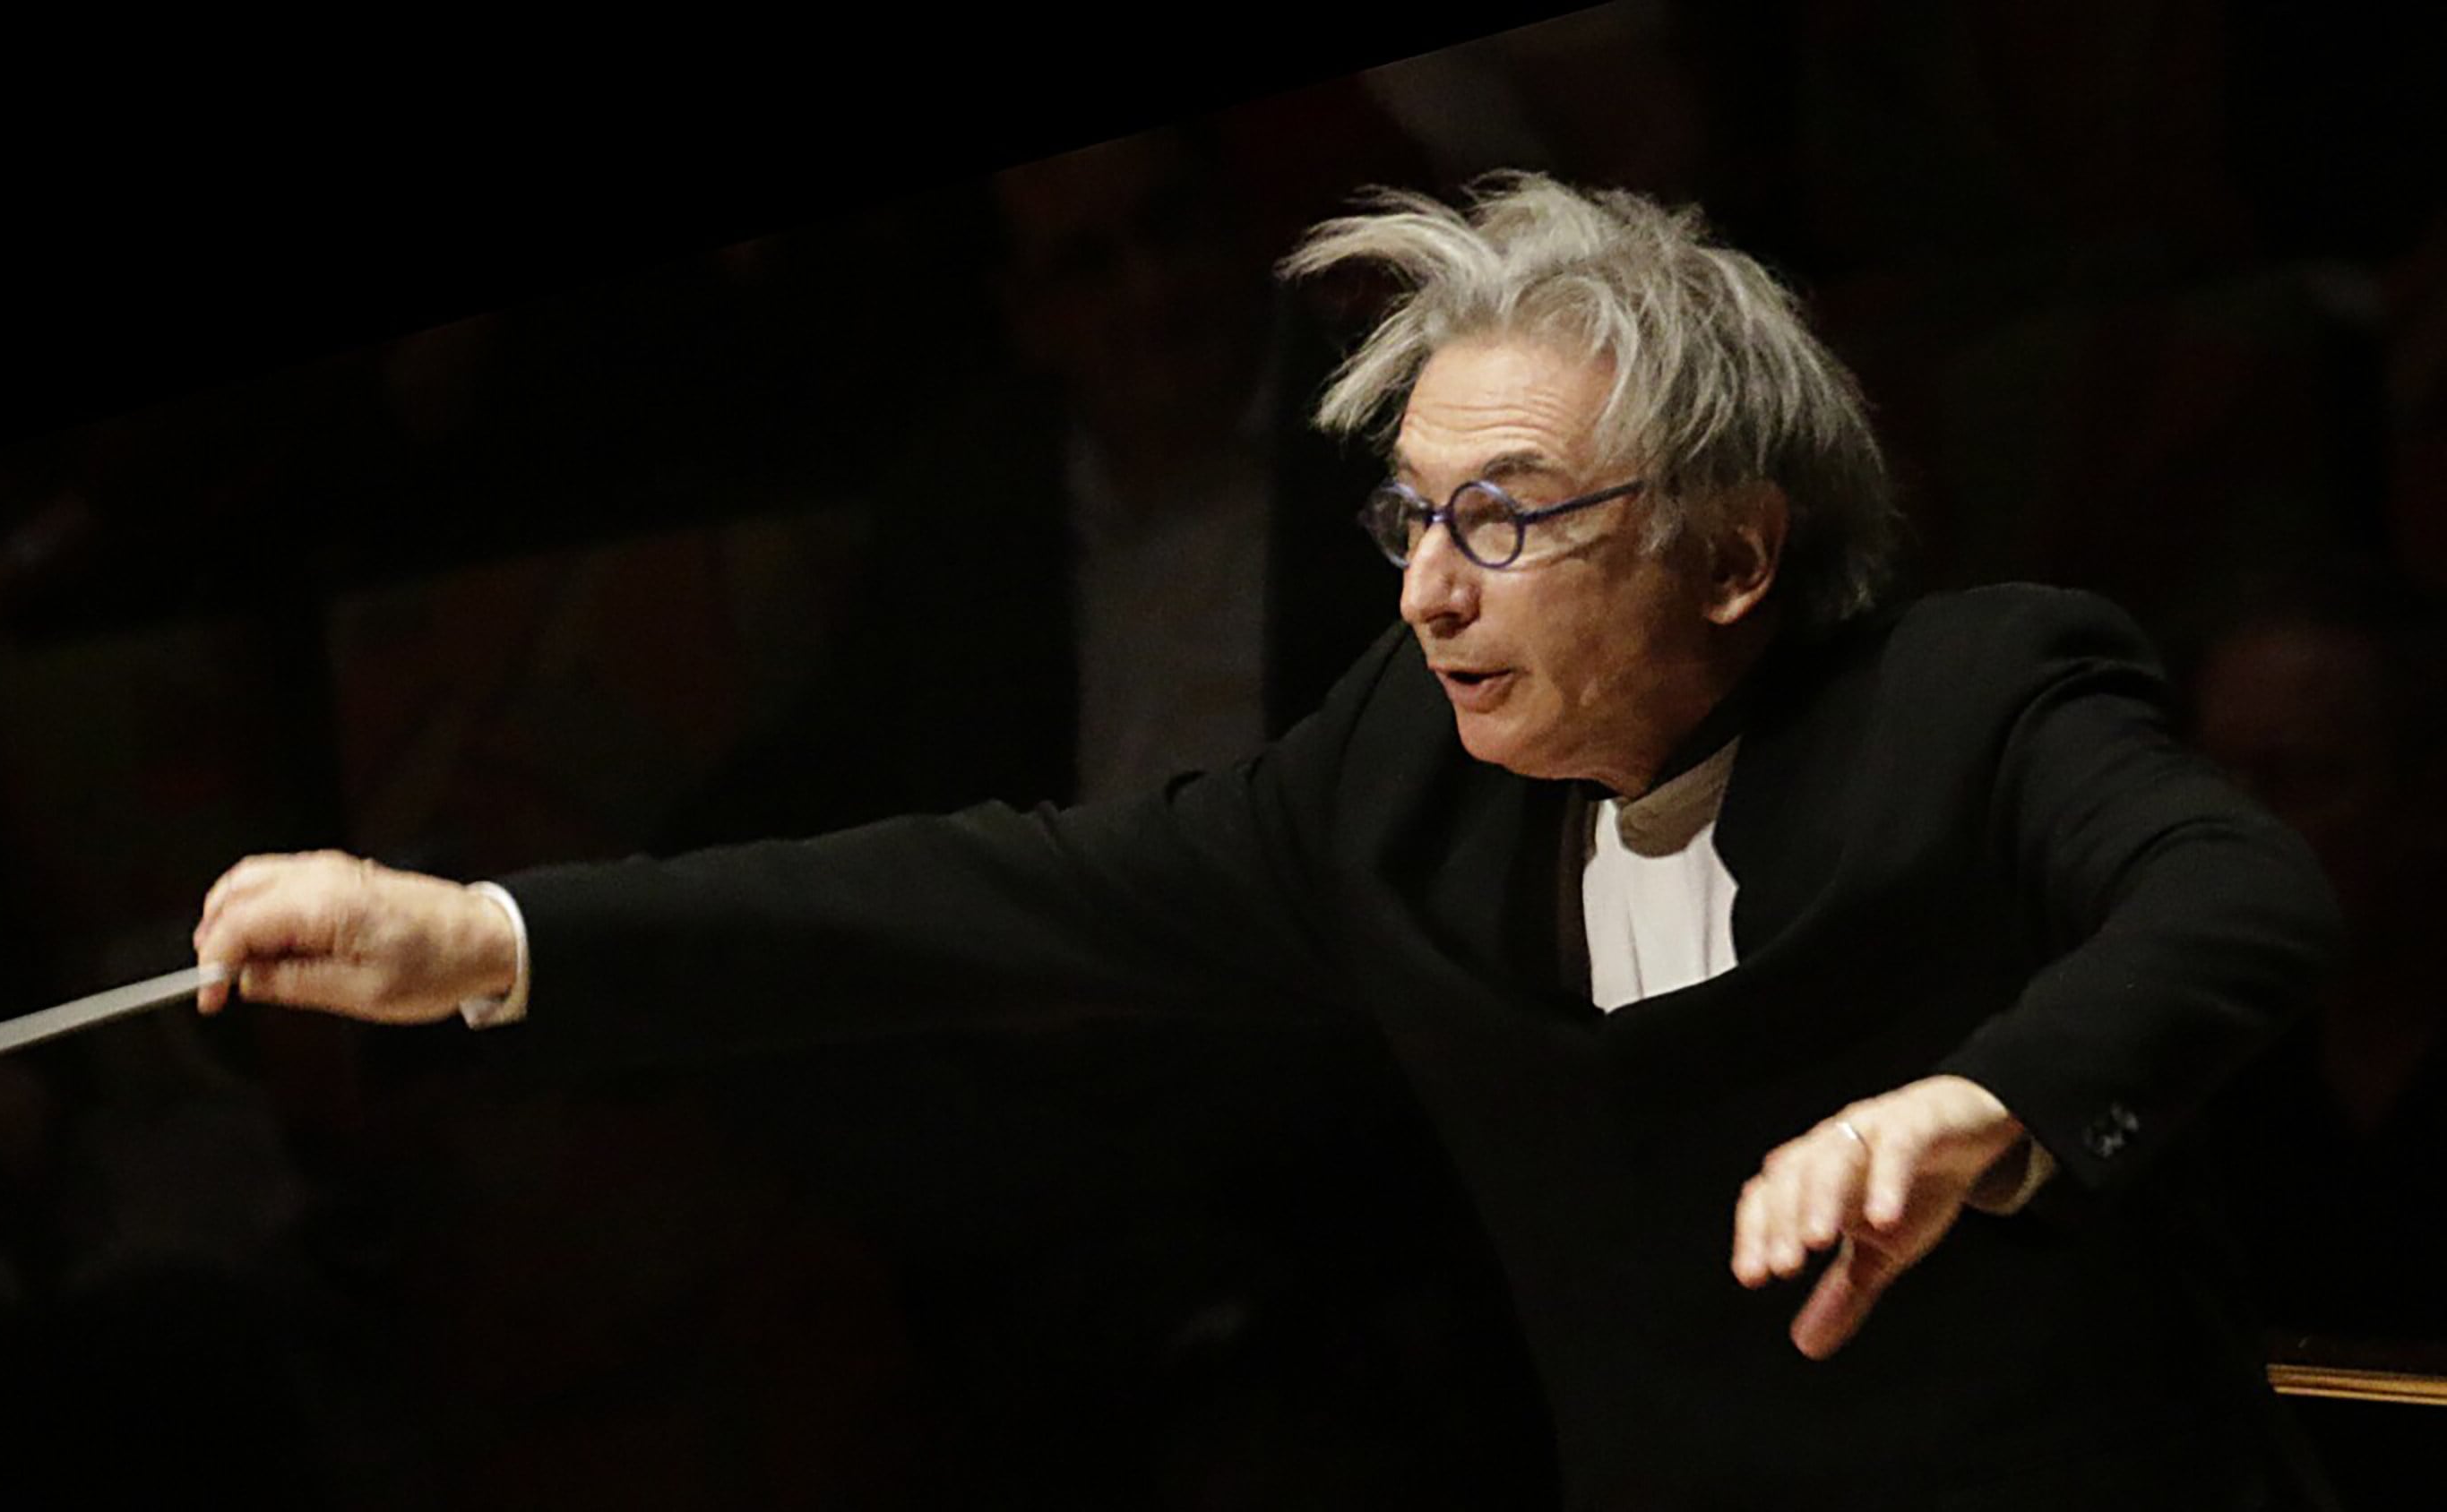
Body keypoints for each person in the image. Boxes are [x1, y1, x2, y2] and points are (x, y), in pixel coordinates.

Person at [190, 176, 2344, 1509]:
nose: (1429, 589)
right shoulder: (1391, 786)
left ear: (1732, 552)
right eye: (1413, 517)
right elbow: (970, 892)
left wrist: (1986, 1101)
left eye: (1504, 520)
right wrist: (481, 933)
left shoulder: (1973, 695)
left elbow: (2236, 894)